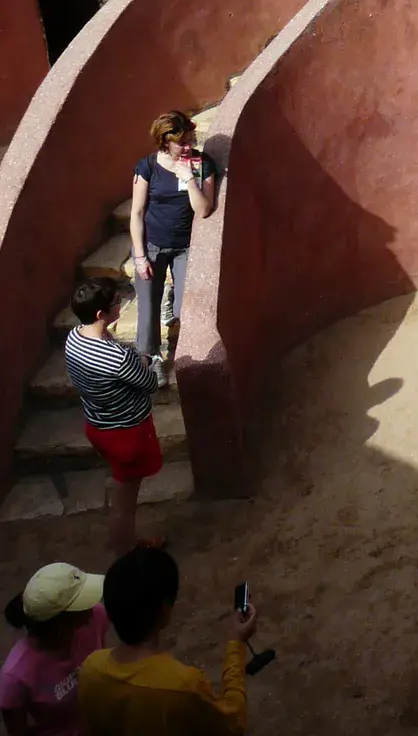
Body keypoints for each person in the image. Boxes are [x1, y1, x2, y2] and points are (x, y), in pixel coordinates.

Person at [78, 548, 257, 734]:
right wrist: (236, 642)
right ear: (164, 610)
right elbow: (233, 722)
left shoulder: (90, 669)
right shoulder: (180, 686)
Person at [63, 280, 162, 556]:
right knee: (126, 499)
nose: (122, 304)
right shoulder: (115, 357)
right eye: (117, 302)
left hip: (99, 424)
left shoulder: (74, 337)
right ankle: (125, 547)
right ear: (100, 314)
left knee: (122, 484)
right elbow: (150, 383)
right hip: (126, 433)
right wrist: (142, 362)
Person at [129, 112, 217, 365]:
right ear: (165, 141)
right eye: (183, 142)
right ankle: (151, 357)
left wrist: (189, 178)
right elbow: (136, 212)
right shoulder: (148, 166)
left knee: (184, 309)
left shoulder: (202, 163)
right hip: (153, 244)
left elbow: (203, 209)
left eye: (191, 139)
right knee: (147, 307)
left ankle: (172, 299)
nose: (189, 146)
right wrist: (139, 255)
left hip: (185, 247)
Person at [0, 565, 107, 735]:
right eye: (81, 605)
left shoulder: (96, 617)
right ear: (59, 622)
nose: (91, 607)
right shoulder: (15, 677)